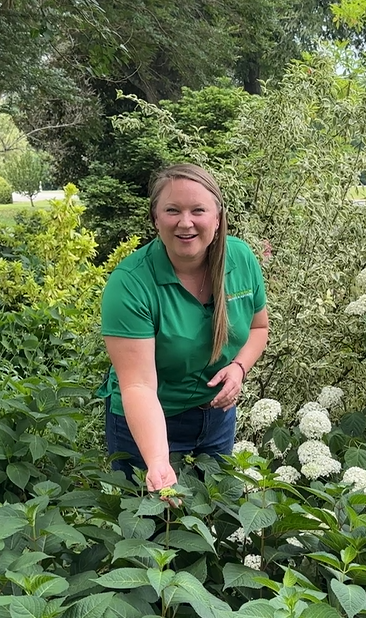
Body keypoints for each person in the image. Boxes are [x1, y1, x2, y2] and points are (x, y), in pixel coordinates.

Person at [99, 164, 269, 491]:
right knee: (150, 528)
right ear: (155, 219)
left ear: (217, 218)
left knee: (214, 520)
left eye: (198, 210)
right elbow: (138, 386)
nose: (186, 222)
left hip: (217, 418)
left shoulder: (242, 259)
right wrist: (158, 460)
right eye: (172, 210)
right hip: (147, 425)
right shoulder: (131, 284)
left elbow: (259, 328)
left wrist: (238, 368)